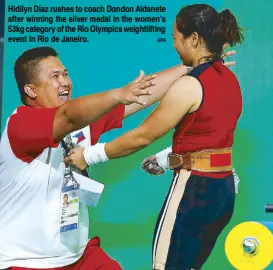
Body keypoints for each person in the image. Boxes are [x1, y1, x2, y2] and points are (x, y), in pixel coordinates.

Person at [0, 45, 234, 270]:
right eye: (55, 77)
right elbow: (68, 115)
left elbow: (142, 95)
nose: (65, 82)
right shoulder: (21, 123)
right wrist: (118, 94)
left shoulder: (81, 125)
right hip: (27, 261)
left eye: (66, 74)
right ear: (31, 90)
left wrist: (195, 65)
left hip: (77, 256)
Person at [65, 4, 244, 270]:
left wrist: (88, 155)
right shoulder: (230, 80)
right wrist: (165, 160)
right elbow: (208, 142)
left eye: (175, 38)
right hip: (224, 191)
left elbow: (142, 135)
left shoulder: (189, 85)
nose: (173, 45)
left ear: (193, 39)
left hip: (193, 191)